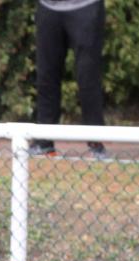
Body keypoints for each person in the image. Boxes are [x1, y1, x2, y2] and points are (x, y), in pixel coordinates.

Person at [32, 0, 109, 160]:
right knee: (46, 76)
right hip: (47, 7)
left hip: (86, 7)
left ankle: (96, 143)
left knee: (88, 77)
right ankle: (44, 143)